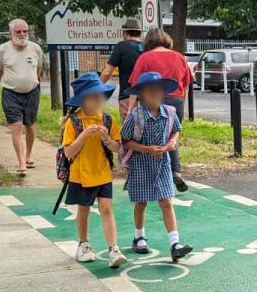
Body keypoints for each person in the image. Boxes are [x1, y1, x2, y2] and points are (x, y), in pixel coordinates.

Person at [120, 71, 194, 262]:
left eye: (158, 89)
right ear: (142, 94)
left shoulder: (169, 112)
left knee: (166, 201)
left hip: (162, 163)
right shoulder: (135, 116)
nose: (155, 92)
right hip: (141, 163)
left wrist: (171, 143)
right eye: (149, 89)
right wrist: (145, 149)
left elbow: (176, 131)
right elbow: (125, 141)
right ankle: (139, 236)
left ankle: (175, 244)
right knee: (141, 201)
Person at [62, 72, 126, 268]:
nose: (98, 100)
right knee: (84, 209)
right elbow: (68, 151)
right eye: (93, 96)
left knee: (107, 209)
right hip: (81, 174)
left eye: (100, 95)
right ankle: (83, 244)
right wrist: (85, 134)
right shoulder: (73, 122)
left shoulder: (106, 119)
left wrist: (106, 138)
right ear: (82, 99)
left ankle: (113, 249)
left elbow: (117, 147)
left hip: (103, 172)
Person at [129, 28, 193, 192]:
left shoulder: (145, 58)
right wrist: (180, 102)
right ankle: (175, 171)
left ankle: (152, 173)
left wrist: (131, 110)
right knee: (172, 135)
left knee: (149, 135)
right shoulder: (179, 57)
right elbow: (186, 83)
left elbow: (135, 86)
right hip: (176, 99)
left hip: (152, 99)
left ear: (148, 42)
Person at [0, 18, 44, 176]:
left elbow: (39, 69)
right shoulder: (2, 50)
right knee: (16, 127)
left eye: (25, 31)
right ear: (11, 33)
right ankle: (21, 162)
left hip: (32, 92)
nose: (22, 34)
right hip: (11, 93)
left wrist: (30, 82)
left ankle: (28, 155)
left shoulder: (36, 49)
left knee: (30, 125)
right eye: (18, 31)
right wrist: (12, 82)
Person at [100, 18, 144, 119]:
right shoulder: (147, 47)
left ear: (125, 33)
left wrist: (95, 87)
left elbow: (107, 73)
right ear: (139, 33)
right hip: (147, 96)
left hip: (127, 95)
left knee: (128, 130)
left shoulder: (121, 46)